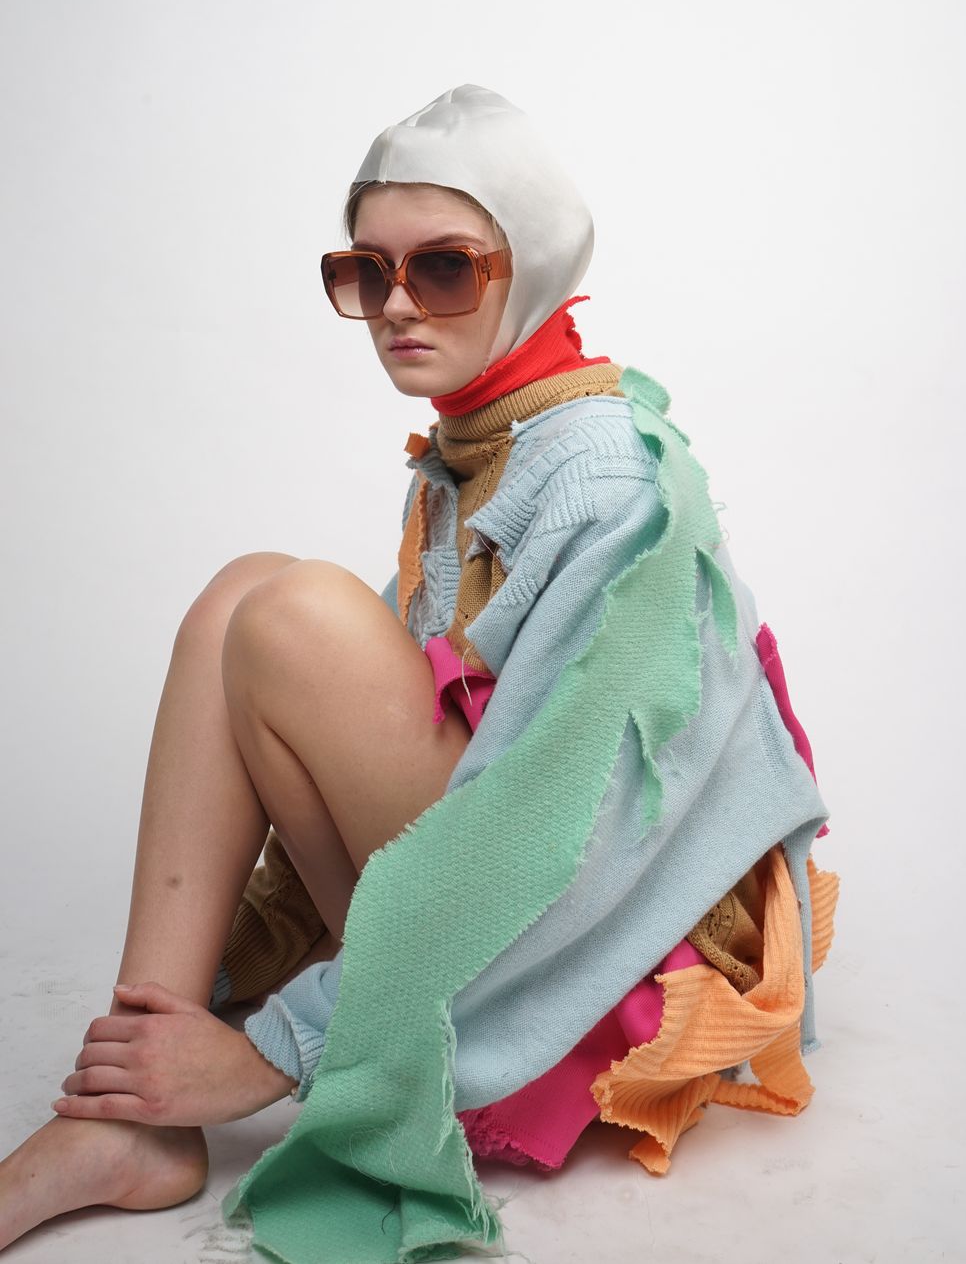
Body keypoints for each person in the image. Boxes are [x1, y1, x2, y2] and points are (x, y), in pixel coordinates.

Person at [0, 84, 838, 1263]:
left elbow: (579, 837)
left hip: (593, 966)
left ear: (528, 266)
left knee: (290, 610)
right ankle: (123, 1121)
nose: (395, 304)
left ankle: (176, 1104)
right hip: (501, 904)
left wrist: (274, 1050)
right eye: (366, 272)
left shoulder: (608, 476)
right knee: (245, 591)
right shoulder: (480, 445)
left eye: (443, 269)